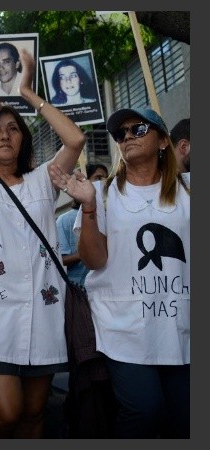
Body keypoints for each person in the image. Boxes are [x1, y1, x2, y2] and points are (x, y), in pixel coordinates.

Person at [0, 47, 85, 438]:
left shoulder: (44, 178)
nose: (3, 135)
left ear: (23, 139)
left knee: (35, 414)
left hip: (42, 313)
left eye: (11, 128)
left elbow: (75, 137)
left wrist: (26, 91)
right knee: (6, 412)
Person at [52, 107, 190, 438]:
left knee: (184, 419)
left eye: (138, 129)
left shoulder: (189, 188)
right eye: (121, 134)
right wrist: (87, 208)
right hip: (124, 326)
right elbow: (94, 260)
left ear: (161, 141)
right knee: (144, 410)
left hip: (180, 323)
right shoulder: (100, 193)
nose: (127, 136)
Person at [55, 163, 108, 287]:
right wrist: (88, 250)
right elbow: (59, 260)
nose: (104, 183)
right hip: (79, 290)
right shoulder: (64, 220)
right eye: (98, 178)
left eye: (106, 178)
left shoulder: (110, 216)